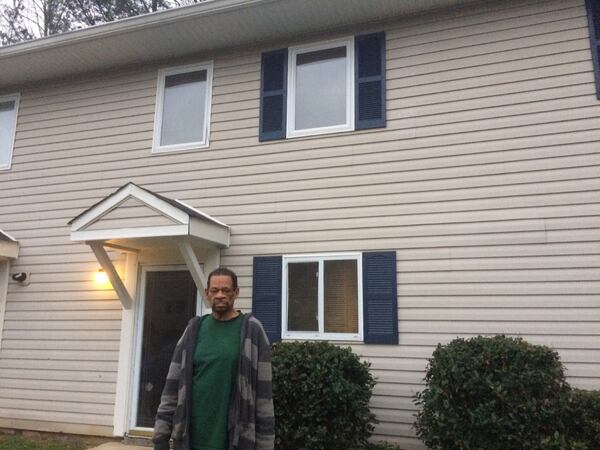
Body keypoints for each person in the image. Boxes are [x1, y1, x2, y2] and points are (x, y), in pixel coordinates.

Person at [152, 267, 275, 450]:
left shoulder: (252, 331)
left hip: (234, 441)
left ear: (236, 293)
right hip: (190, 440)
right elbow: (172, 387)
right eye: (214, 291)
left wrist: (265, 445)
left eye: (226, 290)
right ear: (207, 294)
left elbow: (264, 397)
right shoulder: (193, 331)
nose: (220, 295)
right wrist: (160, 438)